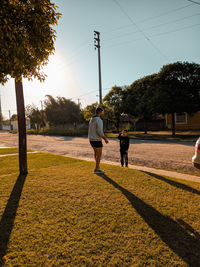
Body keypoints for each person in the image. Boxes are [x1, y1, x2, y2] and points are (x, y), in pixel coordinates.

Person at [88, 107, 109, 174]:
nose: (102, 114)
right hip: (96, 139)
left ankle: (97, 167)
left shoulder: (91, 119)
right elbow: (99, 131)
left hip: (91, 139)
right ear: (100, 112)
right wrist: (105, 139)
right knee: (99, 154)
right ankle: (97, 169)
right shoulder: (99, 120)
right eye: (102, 112)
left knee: (96, 153)